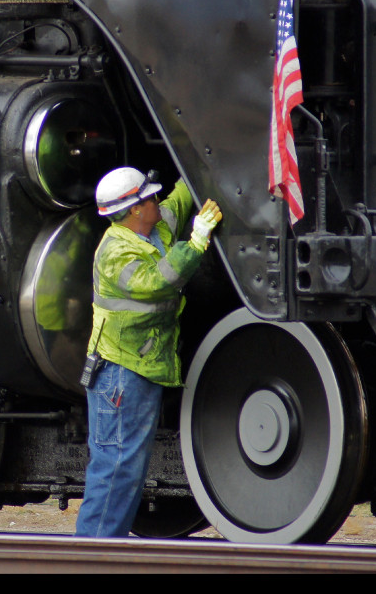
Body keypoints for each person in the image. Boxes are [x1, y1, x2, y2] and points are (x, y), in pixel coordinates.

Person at [75, 167, 222, 538]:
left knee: (126, 469)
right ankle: (90, 559)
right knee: (115, 469)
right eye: (149, 197)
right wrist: (198, 240)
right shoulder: (114, 251)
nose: (157, 201)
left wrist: (197, 168)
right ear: (133, 209)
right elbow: (156, 282)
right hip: (120, 374)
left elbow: (177, 200)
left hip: (138, 370)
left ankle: (103, 554)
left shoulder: (153, 229)